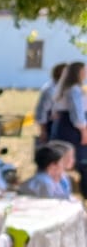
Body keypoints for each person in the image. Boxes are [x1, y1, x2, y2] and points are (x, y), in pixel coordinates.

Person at [49, 60, 87, 190]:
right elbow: (77, 113)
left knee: (61, 159)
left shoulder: (63, 89)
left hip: (62, 126)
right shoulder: (74, 90)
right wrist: (83, 131)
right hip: (72, 129)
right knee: (80, 162)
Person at [36, 63, 68, 141]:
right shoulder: (50, 89)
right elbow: (42, 111)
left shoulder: (65, 87)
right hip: (52, 125)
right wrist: (43, 131)